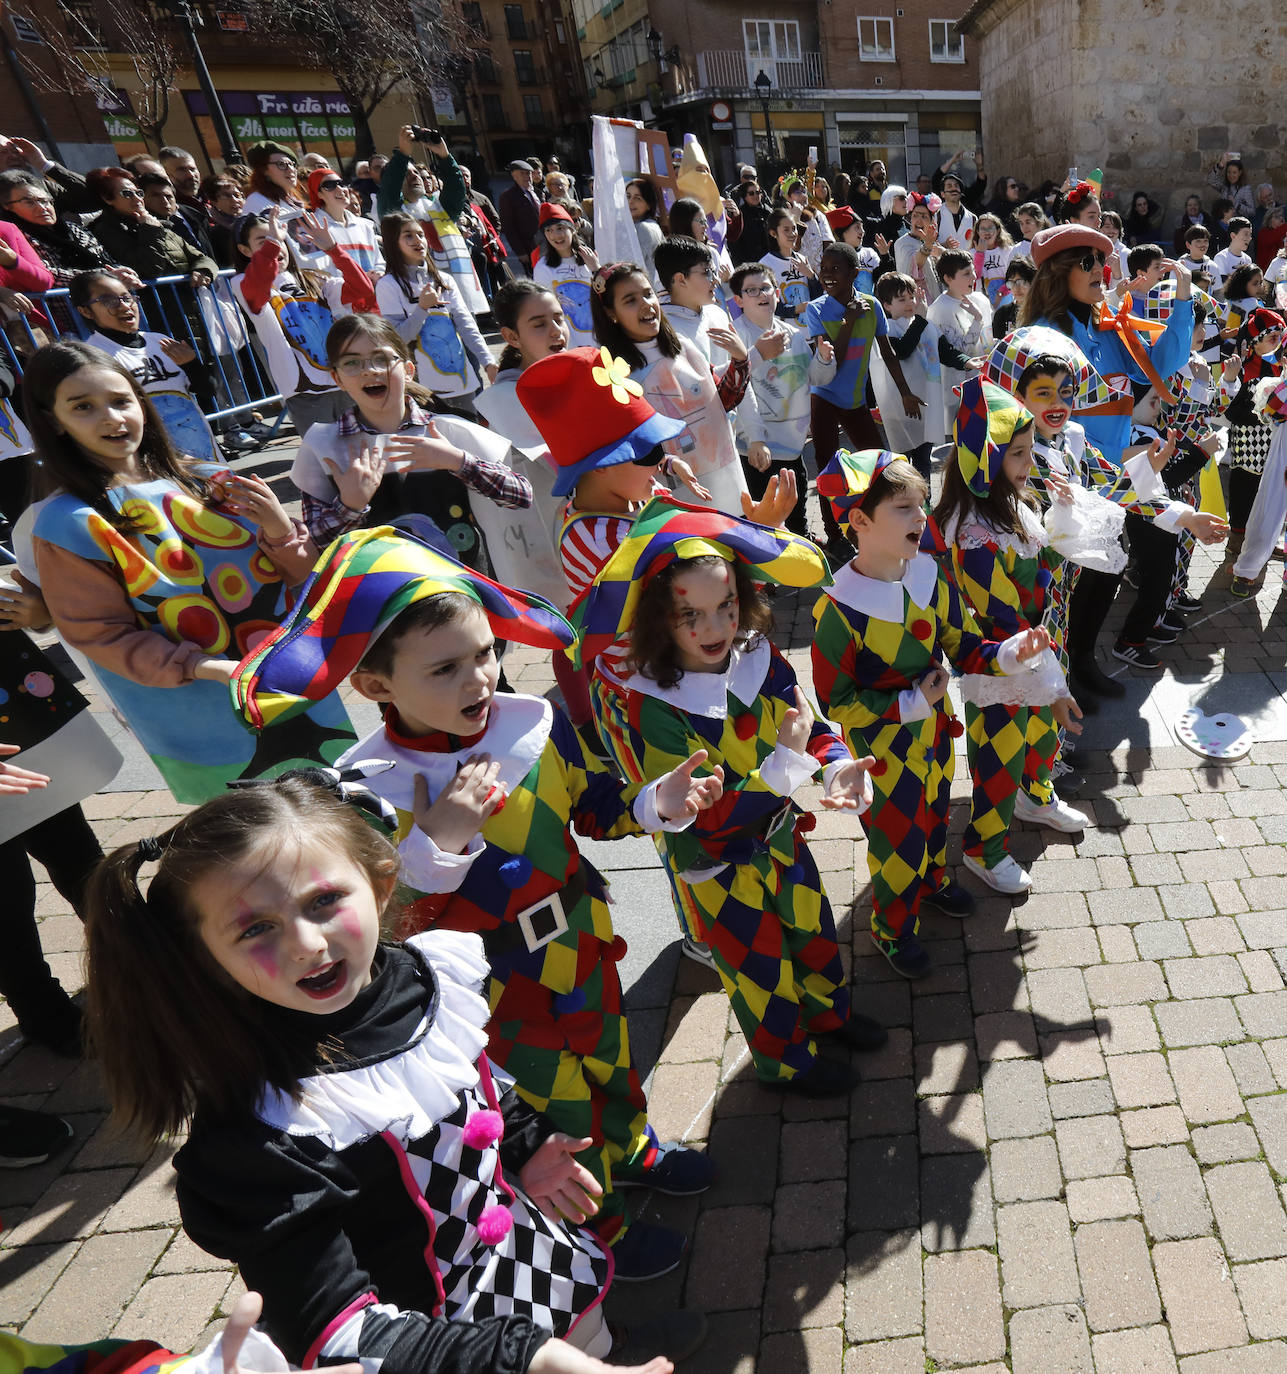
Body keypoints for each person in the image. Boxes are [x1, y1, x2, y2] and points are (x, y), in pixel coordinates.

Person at [232, 529, 720, 1285]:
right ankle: (601, 1233)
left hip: (580, 941)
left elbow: (591, 806)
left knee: (611, 1062)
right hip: (491, 983)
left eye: (486, 652)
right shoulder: (368, 791)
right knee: (555, 1104)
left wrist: (659, 800)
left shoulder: (531, 725)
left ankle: (635, 1150)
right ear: (376, 686)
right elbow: (381, 927)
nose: (481, 679)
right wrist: (440, 839)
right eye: (446, 667)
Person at [88, 771, 698, 1369]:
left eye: (324, 900)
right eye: (256, 928)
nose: (307, 943)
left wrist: (524, 1140)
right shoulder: (259, 1131)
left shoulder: (414, 976)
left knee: (580, 1330)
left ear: (379, 889)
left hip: (522, 1251)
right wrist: (522, 1358)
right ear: (203, 956)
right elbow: (331, 1324)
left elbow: (469, 1075)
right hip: (424, 1337)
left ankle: (604, 1347)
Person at [579, 496, 885, 1096]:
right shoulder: (656, 707)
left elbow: (809, 727)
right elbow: (706, 819)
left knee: (815, 931)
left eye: (726, 606)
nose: (714, 628)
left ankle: (830, 1017)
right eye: (688, 615)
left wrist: (837, 766)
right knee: (758, 966)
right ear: (655, 620)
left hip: (778, 839)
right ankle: (785, 1064)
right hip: (718, 868)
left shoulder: (758, 659)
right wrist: (791, 765)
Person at [19, 339, 353, 803]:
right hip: (200, 718)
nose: (113, 418)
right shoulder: (68, 523)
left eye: (121, 401)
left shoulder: (206, 479)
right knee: (260, 841)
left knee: (343, 813)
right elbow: (100, 635)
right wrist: (207, 667)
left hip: (287, 688)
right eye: (83, 407)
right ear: (53, 421)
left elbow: (302, 579)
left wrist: (278, 528)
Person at [812, 449, 1054, 976]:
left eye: (921, 506)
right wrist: (910, 703)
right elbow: (836, 703)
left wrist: (1010, 654)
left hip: (936, 737)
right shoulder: (838, 612)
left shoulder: (929, 575)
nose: (922, 518)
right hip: (883, 751)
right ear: (859, 520)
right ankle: (891, 928)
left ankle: (931, 878)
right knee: (896, 837)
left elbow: (962, 643)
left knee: (936, 807)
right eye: (904, 507)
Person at [931, 378, 1086, 895]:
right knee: (999, 758)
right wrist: (1056, 685)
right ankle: (983, 847)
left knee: (1040, 737)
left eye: (1027, 450)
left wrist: (1061, 521)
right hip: (1002, 662)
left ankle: (1036, 797)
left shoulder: (1010, 503)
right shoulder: (972, 532)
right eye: (1016, 453)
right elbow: (1003, 618)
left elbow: (1042, 566)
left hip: (1037, 650)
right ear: (982, 458)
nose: (1028, 462)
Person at [290, 314, 527, 571]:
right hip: (383, 597)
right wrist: (349, 505)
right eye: (352, 363)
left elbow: (520, 495)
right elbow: (313, 545)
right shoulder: (324, 446)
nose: (369, 370)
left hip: (465, 590)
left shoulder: (447, 429)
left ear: (408, 369)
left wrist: (458, 462)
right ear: (337, 379)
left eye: (381, 359)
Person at [473, 281, 584, 721]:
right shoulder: (505, 396)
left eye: (558, 317)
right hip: (548, 532)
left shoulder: (571, 371)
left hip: (586, 522)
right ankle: (585, 723)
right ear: (512, 336)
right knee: (570, 631)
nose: (556, 330)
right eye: (539, 323)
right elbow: (565, 459)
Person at [590, 261, 751, 514]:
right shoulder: (616, 373)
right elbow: (632, 450)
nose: (646, 304)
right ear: (611, 313)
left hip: (728, 483)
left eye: (647, 293)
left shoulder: (683, 345)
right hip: (675, 503)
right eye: (630, 300)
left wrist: (740, 361)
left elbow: (722, 402)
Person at [805, 242, 922, 559]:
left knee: (881, 464)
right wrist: (849, 321)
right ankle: (835, 536)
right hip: (825, 399)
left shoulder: (872, 305)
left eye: (835, 269)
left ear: (855, 273)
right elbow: (834, 361)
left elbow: (887, 352)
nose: (827, 275)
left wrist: (905, 391)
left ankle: (877, 522)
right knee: (827, 471)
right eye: (823, 269)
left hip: (854, 401)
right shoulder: (816, 309)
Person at [230, 208, 376, 433]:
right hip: (305, 392)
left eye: (279, 237)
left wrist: (332, 248)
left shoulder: (317, 279)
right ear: (244, 250)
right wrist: (273, 242)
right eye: (264, 240)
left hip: (345, 380)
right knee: (329, 461)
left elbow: (362, 289)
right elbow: (257, 284)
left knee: (370, 447)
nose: (277, 245)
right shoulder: (244, 283)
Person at [71, 269, 220, 463]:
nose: (124, 306)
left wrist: (192, 364)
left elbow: (208, 390)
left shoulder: (160, 341)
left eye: (127, 297)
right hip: (155, 464)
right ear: (85, 311)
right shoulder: (94, 358)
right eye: (108, 300)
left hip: (204, 453)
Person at [729, 262, 830, 534]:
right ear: (738, 299)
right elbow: (733, 388)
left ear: (777, 293)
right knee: (762, 521)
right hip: (755, 449)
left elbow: (815, 378)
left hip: (793, 446)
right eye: (752, 290)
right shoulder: (735, 336)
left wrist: (823, 359)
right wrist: (754, 440)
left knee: (797, 516)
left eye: (766, 288)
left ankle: (803, 553)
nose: (762, 294)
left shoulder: (795, 335)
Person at [375, 212, 495, 409]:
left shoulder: (444, 280)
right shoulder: (388, 285)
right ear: (393, 242)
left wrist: (488, 361)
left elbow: (466, 325)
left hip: (462, 382)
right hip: (423, 390)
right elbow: (397, 339)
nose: (418, 240)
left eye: (420, 234)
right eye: (408, 235)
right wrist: (422, 308)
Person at [1223, 307, 1285, 563]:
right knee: (1244, 490)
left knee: (1269, 492)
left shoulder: (1280, 366)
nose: (1279, 342)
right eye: (1272, 338)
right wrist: (1259, 414)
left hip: (1275, 443)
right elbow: (1230, 411)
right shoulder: (1245, 368)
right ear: (1256, 342)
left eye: (1281, 336)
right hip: (1248, 444)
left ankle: (1264, 540)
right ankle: (1237, 538)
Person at [871, 272, 944, 479]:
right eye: (901, 299)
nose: (909, 303)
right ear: (886, 305)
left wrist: (966, 360)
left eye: (911, 297)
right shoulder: (887, 329)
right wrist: (919, 319)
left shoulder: (923, 325)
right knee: (901, 462)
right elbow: (902, 351)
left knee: (923, 461)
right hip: (898, 407)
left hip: (924, 404)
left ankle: (925, 503)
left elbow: (944, 350)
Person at [927, 247, 992, 403]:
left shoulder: (980, 299)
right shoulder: (940, 309)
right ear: (948, 278)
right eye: (966, 274)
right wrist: (977, 319)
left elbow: (988, 342)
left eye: (973, 271)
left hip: (986, 382)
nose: (974, 277)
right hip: (956, 389)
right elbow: (961, 352)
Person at [532, 202, 599, 347]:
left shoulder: (589, 257)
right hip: (570, 343)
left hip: (601, 337)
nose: (555, 235)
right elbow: (545, 310)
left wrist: (596, 269)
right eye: (548, 230)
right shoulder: (543, 268)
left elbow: (607, 294)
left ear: (573, 229)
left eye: (560, 228)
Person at [307, 167, 384, 277]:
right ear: (318, 194)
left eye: (341, 183)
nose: (340, 189)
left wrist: (377, 274)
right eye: (329, 185)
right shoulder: (314, 227)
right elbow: (320, 271)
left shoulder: (365, 225)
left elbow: (379, 262)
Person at [759, 208, 817, 321]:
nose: (792, 234)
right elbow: (767, 304)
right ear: (773, 233)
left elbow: (817, 296)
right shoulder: (765, 264)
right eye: (786, 230)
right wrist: (796, 309)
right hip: (786, 332)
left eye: (794, 229)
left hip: (810, 330)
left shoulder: (802, 259)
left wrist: (811, 276)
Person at [893, 193, 944, 304]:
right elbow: (915, 263)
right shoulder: (902, 243)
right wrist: (927, 247)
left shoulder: (933, 243)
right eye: (915, 215)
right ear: (910, 219)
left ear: (932, 222)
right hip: (913, 304)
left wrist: (942, 252)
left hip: (933, 302)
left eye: (924, 217)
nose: (919, 220)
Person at [499, 157, 543, 267]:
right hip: (529, 247)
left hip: (547, 242)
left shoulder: (539, 193)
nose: (527, 177)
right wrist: (520, 252)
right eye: (522, 174)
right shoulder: (508, 197)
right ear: (514, 176)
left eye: (528, 173)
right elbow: (508, 227)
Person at [625, 178, 666, 286]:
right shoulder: (650, 225)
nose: (631, 202)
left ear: (648, 205)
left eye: (637, 198)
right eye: (628, 196)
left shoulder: (643, 228)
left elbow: (632, 268)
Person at [991, 254, 1036, 338]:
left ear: (1033, 282)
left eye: (1020, 282)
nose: (1016, 288)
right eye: (1011, 283)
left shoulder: (1043, 312)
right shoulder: (1003, 313)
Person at [1208, 153, 1256, 218]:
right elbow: (1211, 181)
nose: (1231, 176)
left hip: (1237, 224)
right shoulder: (1225, 186)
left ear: (1240, 173)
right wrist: (1220, 165)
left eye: (1234, 172)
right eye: (1229, 172)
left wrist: (1236, 204)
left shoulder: (1246, 189)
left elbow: (1252, 212)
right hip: (1223, 223)